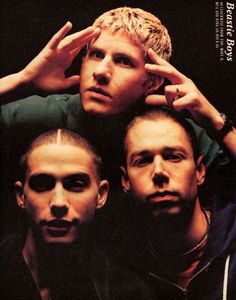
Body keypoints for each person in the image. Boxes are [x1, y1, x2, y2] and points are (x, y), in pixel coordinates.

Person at [0, 7, 234, 236]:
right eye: (96, 54)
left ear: (152, 82)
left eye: (123, 61)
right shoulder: (46, 114)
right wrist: (21, 80)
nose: (100, 71)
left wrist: (215, 120)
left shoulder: (170, 132)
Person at [0, 128, 153, 300]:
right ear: (21, 196)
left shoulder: (128, 292)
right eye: (42, 184)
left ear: (101, 194)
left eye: (76, 184)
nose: (58, 203)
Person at [120, 107, 236, 300]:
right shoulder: (117, 266)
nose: (159, 172)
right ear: (125, 181)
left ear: (199, 171)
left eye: (174, 157)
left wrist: (219, 123)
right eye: (143, 161)